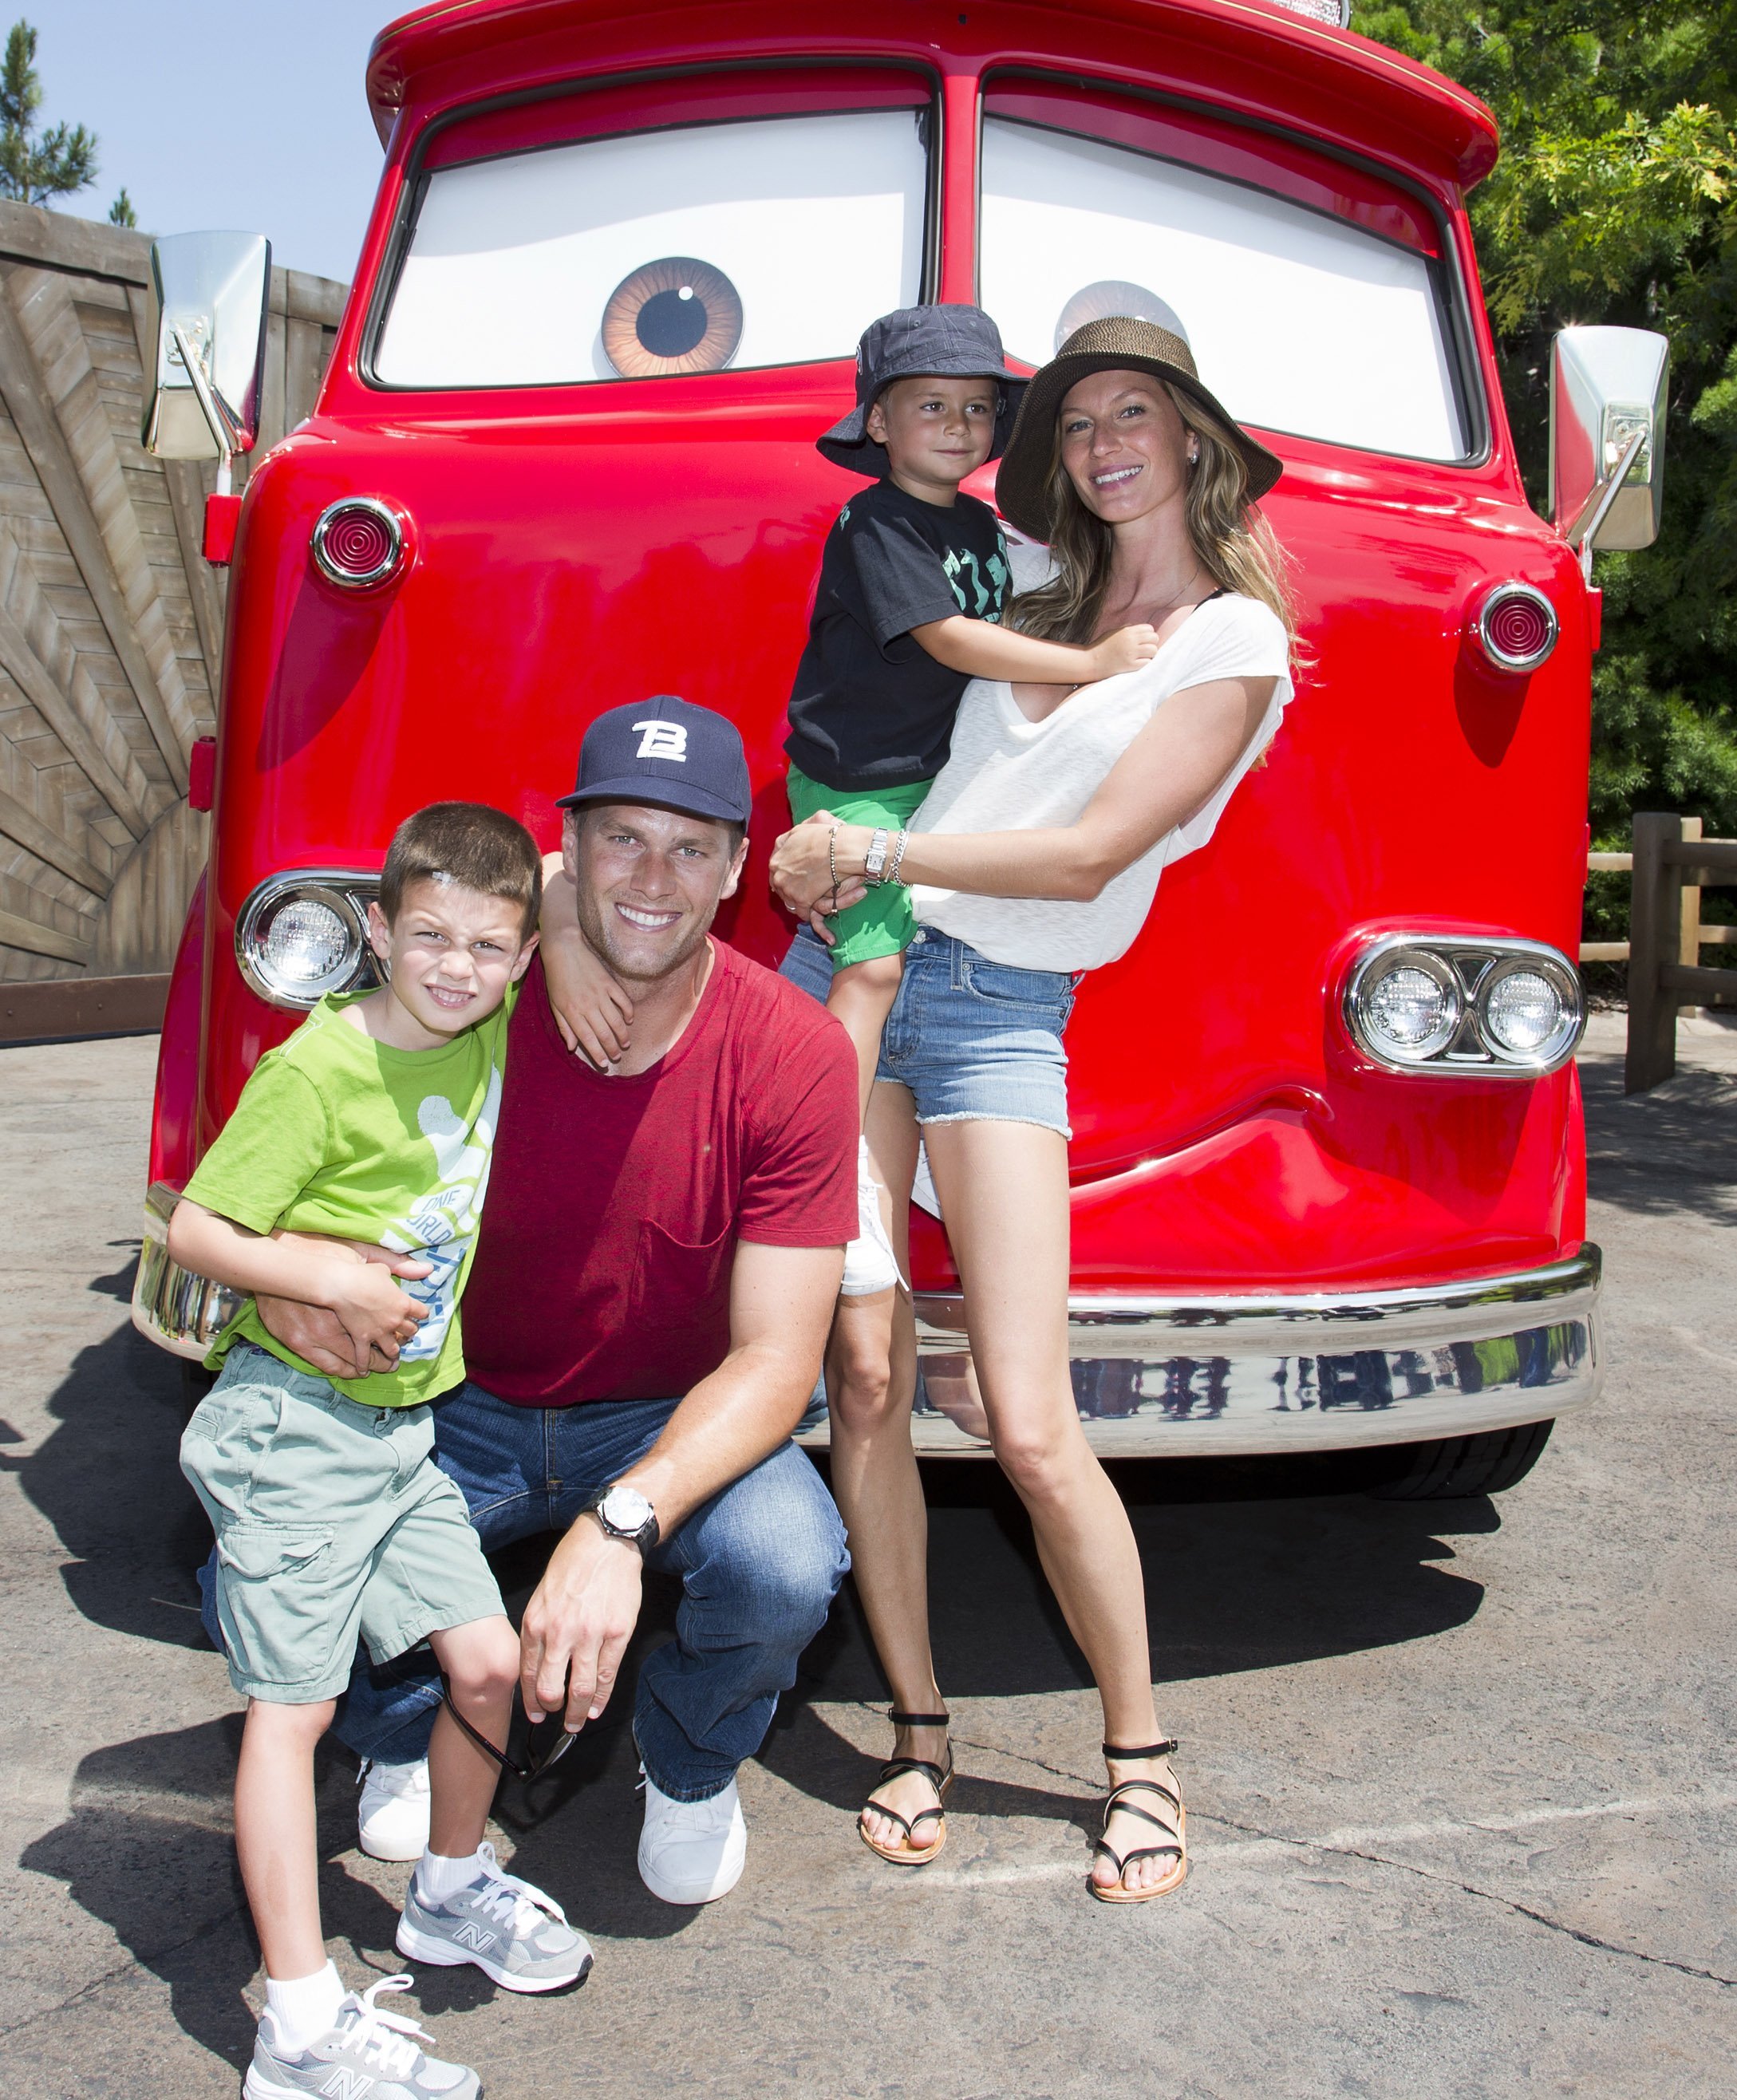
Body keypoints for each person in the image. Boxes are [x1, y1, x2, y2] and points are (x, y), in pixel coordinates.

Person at [768, 314, 1296, 1904]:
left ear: (1195, 438)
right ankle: (917, 1727)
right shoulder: (1021, 582)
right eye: (1072, 424)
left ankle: (1137, 1762)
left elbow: (1080, 858)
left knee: (1026, 1414)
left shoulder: (1231, 646)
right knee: (859, 1372)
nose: (1098, 443)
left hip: (995, 1012)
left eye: (1130, 413)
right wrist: (827, 847)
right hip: (854, 967)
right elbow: (882, 710)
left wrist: (872, 857)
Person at [246, 700, 859, 1912]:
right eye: (622, 839)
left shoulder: (794, 1052)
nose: (653, 877)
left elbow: (780, 1359)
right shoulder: (471, 989)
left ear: (740, 868)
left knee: (785, 1564)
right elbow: (300, 1160)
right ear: (566, 849)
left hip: (658, 1418)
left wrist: (622, 1525)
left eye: (692, 848)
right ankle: (405, 1721)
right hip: (449, 1396)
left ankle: (688, 1762)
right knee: (261, 1547)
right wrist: (314, 1279)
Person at [558, 305, 1163, 1309]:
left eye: (978, 407)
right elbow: (949, 641)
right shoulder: (875, 522)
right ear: (877, 423)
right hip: (858, 784)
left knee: (865, 963)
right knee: (871, 968)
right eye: (930, 404)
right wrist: (1092, 663)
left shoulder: (974, 526)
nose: (959, 425)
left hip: (922, 786)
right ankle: (824, 1183)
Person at [172, 803, 590, 2100]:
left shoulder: (492, 1026)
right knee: (289, 1720)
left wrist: (561, 876)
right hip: (295, 1427)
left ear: (519, 960)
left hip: (402, 1436)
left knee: (486, 1665)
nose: (456, 968)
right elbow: (195, 1229)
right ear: (374, 931)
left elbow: (570, 884)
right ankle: (296, 2031)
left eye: (485, 945)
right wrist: (326, 1282)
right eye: (428, 939)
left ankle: (450, 1896)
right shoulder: (320, 1068)